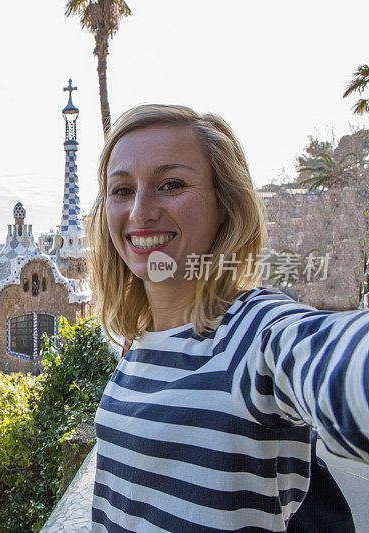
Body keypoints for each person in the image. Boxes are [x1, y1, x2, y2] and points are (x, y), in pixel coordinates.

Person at [87, 104, 368, 532]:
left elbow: (335, 360)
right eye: (122, 190)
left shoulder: (254, 334)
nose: (141, 212)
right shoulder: (139, 342)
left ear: (225, 204)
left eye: (171, 184)